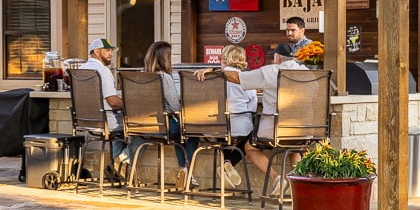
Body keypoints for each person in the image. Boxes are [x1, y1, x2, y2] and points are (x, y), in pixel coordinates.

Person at [200, 43, 310, 196]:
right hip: (304, 130)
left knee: (249, 146)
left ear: (277, 58)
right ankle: (301, 190)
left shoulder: (271, 71)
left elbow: (236, 77)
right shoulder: (307, 73)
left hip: (275, 130)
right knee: (293, 145)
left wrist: (213, 70)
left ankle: (276, 178)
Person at [133, 41, 197, 188]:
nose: (173, 56)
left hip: (142, 125)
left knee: (179, 134)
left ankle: (184, 172)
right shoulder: (164, 77)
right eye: (171, 54)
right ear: (165, 58)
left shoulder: (141, 76)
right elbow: (174, 106)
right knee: (190, 131)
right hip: (163, 125)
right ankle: (186, 171)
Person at [79, 37, 125, 174]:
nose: (111, 54)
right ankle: (119, 163)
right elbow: (113, 101)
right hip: (105, 122)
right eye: (107, 50)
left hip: (86, 122)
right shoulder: (103, 71)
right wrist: (130, 105)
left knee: (121, 133)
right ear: (97, 52)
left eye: (111, 51)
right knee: (137, 127)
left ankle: (114, 168)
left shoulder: (81, 69)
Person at [218, 45, 259, 188]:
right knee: (251, 138)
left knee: (223, 137)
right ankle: (228, 162)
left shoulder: (213, 77)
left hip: (215, 126)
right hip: (239, 125)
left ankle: (226, 163)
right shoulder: (245, 79)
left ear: (224, 58)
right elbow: (253, 103)